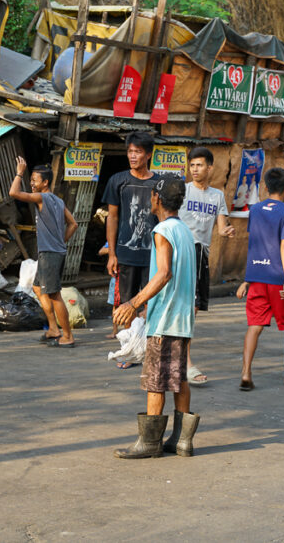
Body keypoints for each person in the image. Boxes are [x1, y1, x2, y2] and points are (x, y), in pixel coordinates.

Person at [112, 176, 198, 459]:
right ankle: (182, 441)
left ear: (157, 199)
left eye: (152, 195)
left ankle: (150, 442)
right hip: (182, 319)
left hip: (166, 319)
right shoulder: (185, 231)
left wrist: (134, 303)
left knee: (155, 380)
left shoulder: (163, 230)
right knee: (179, 377)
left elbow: (163, 273)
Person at [235, 167, 284, 390]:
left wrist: (247, 279)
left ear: (265, 187)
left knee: (255, 325)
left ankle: (246, 373)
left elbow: (256, 243)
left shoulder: (255, 210)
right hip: (278, 276)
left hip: (257, 276)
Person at [178, 146, 236, 386]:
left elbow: (220, 228)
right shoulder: (182, 190)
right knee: (185, 309)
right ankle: (186, 362)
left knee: (193, 310)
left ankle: (181, 358)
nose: (195, 169)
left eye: (199, 165)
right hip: (182, 251)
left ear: (210, 168)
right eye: (192, 165)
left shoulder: (217, 196)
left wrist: (227, 231)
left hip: (201, 254)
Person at [9, 156, 79, 347]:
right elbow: (73, 224)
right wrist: (61, 241)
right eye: (30, 180)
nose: (31, 183)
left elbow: (13, 192)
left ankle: (68, 336)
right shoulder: (58, 200)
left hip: (50, 254)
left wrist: (19, 173)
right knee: (38, 288)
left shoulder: (42, 197)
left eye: (34, 180)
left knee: (54, 294)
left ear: (45, 182)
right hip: (53, 251)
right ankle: (53, 329)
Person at [102, 131, 167, 337]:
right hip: (126, 254)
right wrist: (112, 254)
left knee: (154, 302)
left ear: (148, 155)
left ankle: (149, 347)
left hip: (153, 255)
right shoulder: (117, 181)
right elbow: (112, 217)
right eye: (130, 151)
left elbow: (166, 221)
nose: (132, 156)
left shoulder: (160, 183)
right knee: (126, 304)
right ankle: (129, 348)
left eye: (137, 152)